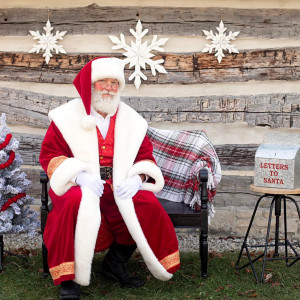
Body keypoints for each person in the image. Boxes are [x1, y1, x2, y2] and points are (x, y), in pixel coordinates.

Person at [39, 57, 180, 299]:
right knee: (72, 204)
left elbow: (145, 156)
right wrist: (80, 176)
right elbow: (50, 156)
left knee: (144, 204)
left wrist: (137, 179)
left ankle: (115, 263)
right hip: (80, 184)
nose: (108, 88)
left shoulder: (131, 119)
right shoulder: (66, 116)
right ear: (91, 85)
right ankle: (69, 280)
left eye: (114, 83)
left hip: (118, 184)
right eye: (102, 82)